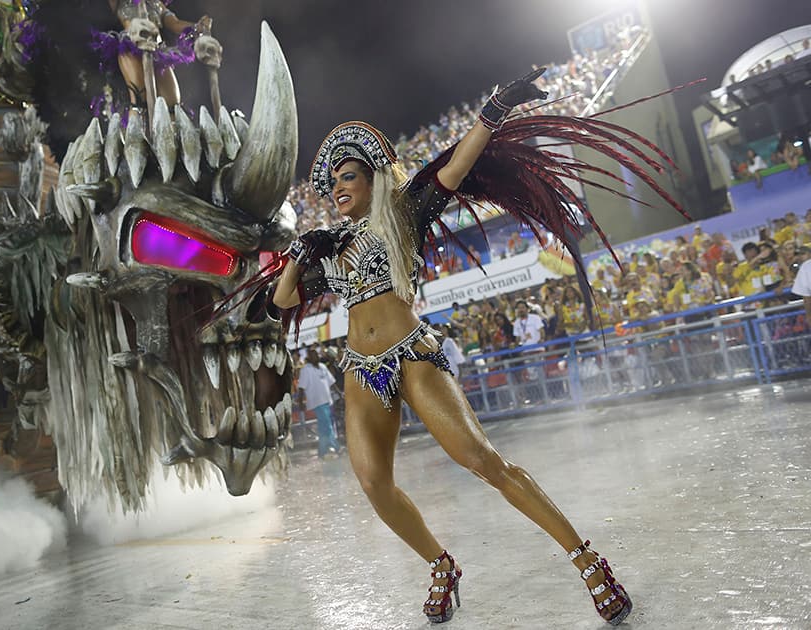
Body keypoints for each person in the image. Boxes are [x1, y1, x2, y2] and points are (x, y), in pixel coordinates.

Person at [263, 67, 678, 626]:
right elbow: (281, 304)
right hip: (360, 369)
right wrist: (300, 255)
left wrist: (496, 108)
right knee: (372, 484)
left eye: (349, 176)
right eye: (332, 181)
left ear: (373, 181)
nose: (338, 187)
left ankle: (587, 559)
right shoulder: (329, 249)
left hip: (411, 354)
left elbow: (454, 167)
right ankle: (440, 565)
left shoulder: (401, 214)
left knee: (480, 459)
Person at [296, 347, 341, 459]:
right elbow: (301, 388)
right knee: (327, 425)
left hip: (327, 401)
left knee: (324, 427)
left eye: (316, 354)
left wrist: (339, 393)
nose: (315, 357)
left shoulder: (322, 367)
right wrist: (301, 402)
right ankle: (334, 447)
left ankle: (322, 451)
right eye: (312, 355)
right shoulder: (306, 370)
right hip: (317, 402)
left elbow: (331, 382)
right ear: (309, 358)